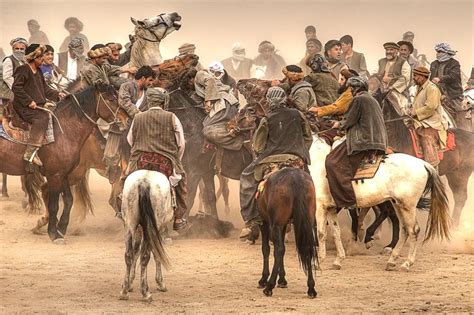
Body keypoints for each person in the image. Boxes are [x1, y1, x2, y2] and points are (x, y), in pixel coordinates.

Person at [239, 86, 312, 238]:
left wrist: (262, 152)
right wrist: (300, 152)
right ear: (285, 100)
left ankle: (251, 218)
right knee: (310, 181)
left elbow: (258, 146)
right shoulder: (298, 114)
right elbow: (308, 137)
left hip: (271, 160)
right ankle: (314, 217)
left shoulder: (267, 118)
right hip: (296, 159)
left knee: (246, 176)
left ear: (270, 101)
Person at [125, 87, 188, 231]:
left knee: (125, 179)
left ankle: (122, 203)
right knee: (182, 184)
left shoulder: (138, 117)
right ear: (163, 102)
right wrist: (176, 159)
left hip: (140, 160)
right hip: (165, 162)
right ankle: (178, 218)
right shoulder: (172, 117)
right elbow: (181, 143)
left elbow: (130, 140)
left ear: (148, 101)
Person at [325, 76, 387, 208]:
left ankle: (348, 200)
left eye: (351, 88)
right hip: (377, 141)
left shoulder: (358, 99)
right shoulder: (372, 99)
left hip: (363, 141)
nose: (350, 91)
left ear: (356, 88)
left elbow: (348, 121)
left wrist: (337, 124)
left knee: (332, 161)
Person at [12, 44, 65, 166]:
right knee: (42, 118)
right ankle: (30, 151)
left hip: (35, 105)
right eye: (41, 57)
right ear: (34, 57)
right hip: (23, 107)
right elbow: (16, 88)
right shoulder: (23, 69)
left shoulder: (39, 71)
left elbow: (45, 89)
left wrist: (58, 95)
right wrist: (28, 101)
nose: (43, 59)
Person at [103, 66, 157, 182]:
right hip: (122, 127)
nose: (151, 83)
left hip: (140, 129)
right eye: (150, 80)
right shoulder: (126, 86)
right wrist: (139, 114)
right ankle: (114, 173)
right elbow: (124, 101)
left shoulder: (149, 93)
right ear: (143, 78)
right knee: (111, 156)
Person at [195, 69, 241, 151]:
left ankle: (238, 140)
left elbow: (210, 80)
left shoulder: (199, 74)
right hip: (227, 103)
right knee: (208, 124)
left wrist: (208, 101)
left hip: (224, 104)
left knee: (207, 130)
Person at [309, 68, 358, 144]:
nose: (339, 82)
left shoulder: (350, 94)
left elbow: (336, 108)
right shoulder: (347, 92)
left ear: (349, 82)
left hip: (345, 126)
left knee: (323, 136)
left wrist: (318, 110)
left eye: (342, 80)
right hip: (342, 123)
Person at [411, 67, 447, 167]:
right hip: (419, 121)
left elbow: (431, 107)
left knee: (426, 136)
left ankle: (433, 167)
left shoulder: (432, 88)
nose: (413, 78)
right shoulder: (420, 88)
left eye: (415, 76)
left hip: (430, 123)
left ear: (423, 77)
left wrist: (415, 113)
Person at [429, 43, 464, 112]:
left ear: (446, 52)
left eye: (439, 52)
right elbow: (431, 78)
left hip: (452, 94)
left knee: (458, 111)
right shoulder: (434, 64)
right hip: (436, 93)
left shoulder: (454, 63)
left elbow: (453, 76)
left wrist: (440, 79)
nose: (437, 54)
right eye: (437, 52)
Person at [376, 42, 410, 109]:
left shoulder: (403, 62)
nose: (389, 52)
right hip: (380, 90)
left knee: (400, 107)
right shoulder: (381, 61)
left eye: (391, 50)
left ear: (397, 51)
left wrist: (392, 86)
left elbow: (405, 78)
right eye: (387, 50)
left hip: (396, 91)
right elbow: (374, 74)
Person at [1, 38, 27, 102]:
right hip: (10, 94)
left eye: (21, 49)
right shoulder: (9, 60)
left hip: (19, 93)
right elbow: (7, 77)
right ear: (13, 49)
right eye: (17, 48)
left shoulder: (23, 61)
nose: (19, 51)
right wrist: (19, 89)